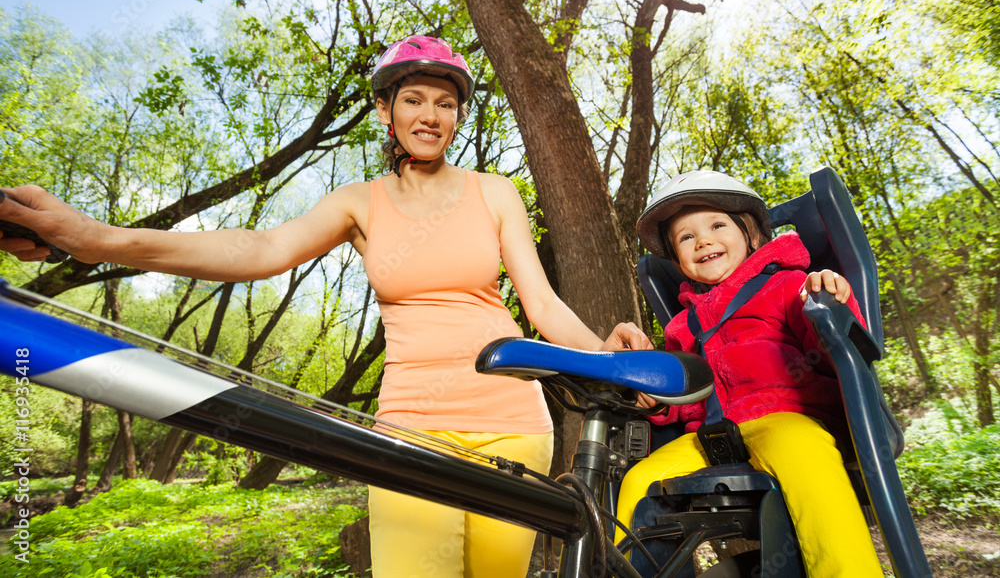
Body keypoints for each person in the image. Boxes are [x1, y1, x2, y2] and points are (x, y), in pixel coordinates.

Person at [0, 34, 652, 578]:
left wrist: (606, 356)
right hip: (411, 428)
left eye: (446, 103)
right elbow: (258, 249)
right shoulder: (359, 203)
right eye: (414, 98)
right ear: (384, 110)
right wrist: (98, 239)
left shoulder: (494, 192)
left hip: (513, 423)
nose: (430, 113)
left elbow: (540, 304)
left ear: (458, 116)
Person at [620, 170, 882, 577]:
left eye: (717, 225)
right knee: (638, 483)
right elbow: (681, 399)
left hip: (787, 418)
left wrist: (828, 302)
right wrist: (653, 399)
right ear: (678, 261)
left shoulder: (788, 286)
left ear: (753, 236)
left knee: (805, 454)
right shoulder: (680, 328)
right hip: (710, 438)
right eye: (685, 238)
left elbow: (838, 351)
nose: (702, 240)